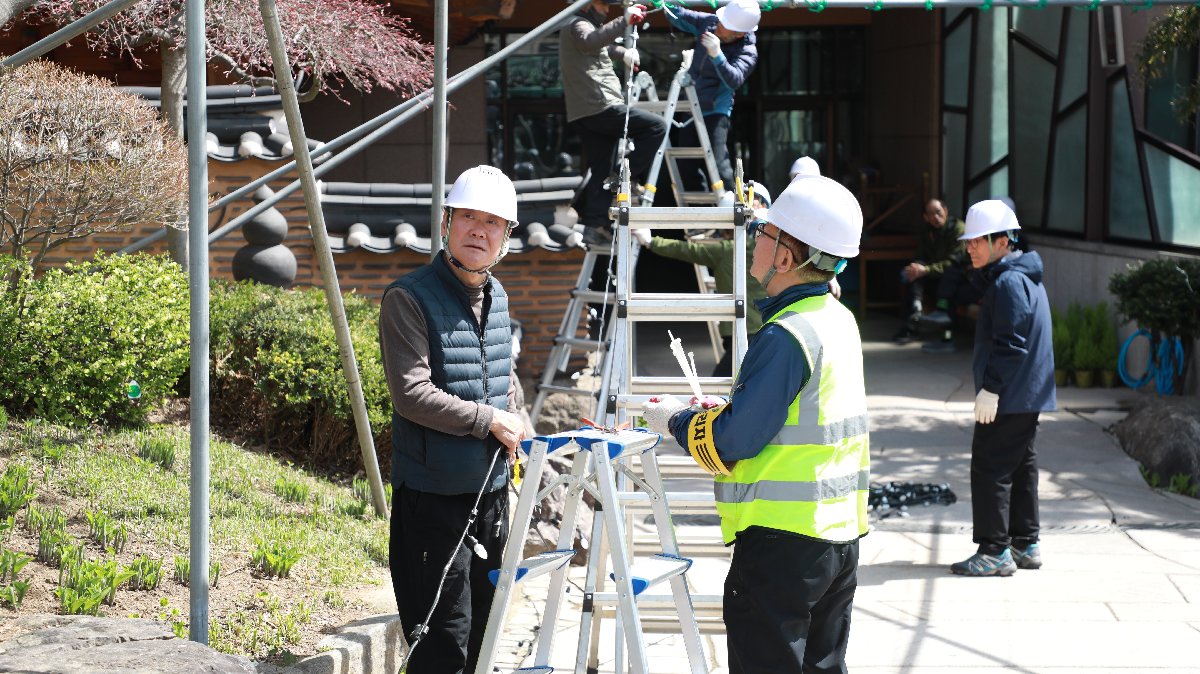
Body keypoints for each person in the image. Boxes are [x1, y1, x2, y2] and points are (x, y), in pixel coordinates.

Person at [642, 174, 869, 673]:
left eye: (764, 233)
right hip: (838, 539)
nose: (753, 241)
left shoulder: (787, 335)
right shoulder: (836, 318)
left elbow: (734, 441)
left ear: (786, 257)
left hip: (782, 547)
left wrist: (675, 420)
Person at [379, 165, 527, 673]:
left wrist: (519, 422)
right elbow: (411, 394)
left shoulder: (499, 296)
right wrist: (489, 421)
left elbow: (504, 380)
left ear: (506, 236)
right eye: (467, 216)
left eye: (492, 222)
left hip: (490, 497)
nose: (478, 231)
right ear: (446, 222)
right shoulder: (409, 297)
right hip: (431, 504)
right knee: (441, 646)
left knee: (482, 642)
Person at [949, 199, 1055, 577]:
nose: (970, 247)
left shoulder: (1009, 281)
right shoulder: (1021, 275)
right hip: (1027, 392)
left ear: (1003, 241)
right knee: (1021, 465)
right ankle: (1026, 542)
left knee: (991, 467)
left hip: (1011, 393)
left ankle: (994, 549)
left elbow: (1011, 343)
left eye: (978, 239)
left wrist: (991, 389)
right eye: (969, 240)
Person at [633, 180, 772, 376]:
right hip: (765, 329)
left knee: (720, 389)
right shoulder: (772, 249)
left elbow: (688, 250)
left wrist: (650, 241)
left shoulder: (728, 250)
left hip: (745, 334)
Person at [561, 0, 667, 246]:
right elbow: (590, 41)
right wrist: (625, 20)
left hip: (586, 111)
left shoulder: (576, 26)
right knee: (656, 127)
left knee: (600, 170)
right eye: (603, 5)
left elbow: (596, 46)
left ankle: (594, 226)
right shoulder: (577, 24)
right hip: (599, 105)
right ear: (588, 5)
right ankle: (623, 177)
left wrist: (622, 53)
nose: (608, 10)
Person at [664, 0, 760, 193]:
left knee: (718, 163)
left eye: (724, 26)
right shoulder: (710, 22)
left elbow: (734, 79)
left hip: (716, 109)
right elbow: (679, 16)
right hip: (692, 105)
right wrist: (665, 4)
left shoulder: (747, 51)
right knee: (686, 164)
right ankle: (699, 213)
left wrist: (717, 55)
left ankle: (733, 208)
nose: (718, 26)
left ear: (739, 34)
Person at [892, 198, 974, 346]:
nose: (935, 217)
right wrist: (916, 268)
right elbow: (920, 256)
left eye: (938, 212)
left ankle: (945, 336)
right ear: (925, 217)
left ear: (946, 211)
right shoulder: (927, 231)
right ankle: (913, 319)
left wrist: (927, 270)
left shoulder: (957, 228)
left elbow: (954, 261)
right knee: (913, 274)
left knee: (949, 274)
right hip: (935, 275)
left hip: (955, 277)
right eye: (930, 214)